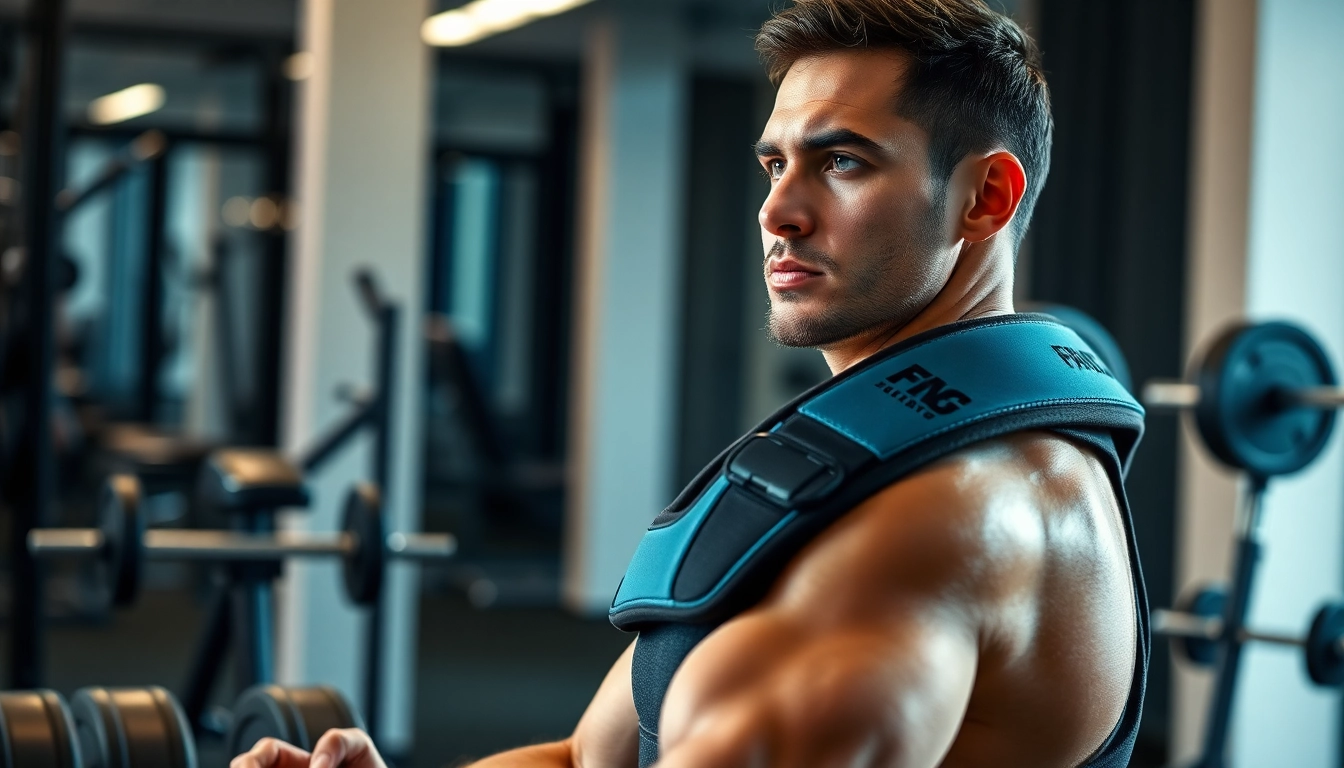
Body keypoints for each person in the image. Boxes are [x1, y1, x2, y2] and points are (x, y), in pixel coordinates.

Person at [232, 0, 1147, 766]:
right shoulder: (868, 469)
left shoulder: (946, 526)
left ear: (985, 198)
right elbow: (586, 757)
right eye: (775, 162)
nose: (778, 212)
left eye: (843, 162)